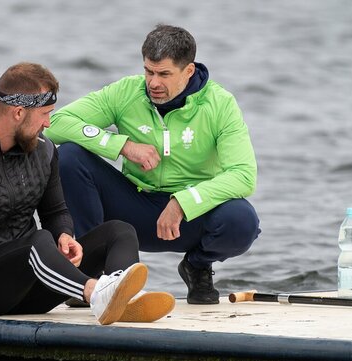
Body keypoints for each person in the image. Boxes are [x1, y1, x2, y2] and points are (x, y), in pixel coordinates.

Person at [0, 62, 175, 361]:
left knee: (119, 232)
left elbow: (55, 212)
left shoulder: (44, 150)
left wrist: (65, 234)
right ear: (18, 112)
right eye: (45, 115)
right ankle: (97, 294)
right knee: (37, 240)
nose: (48, 124)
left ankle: (118, 302)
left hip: (28, 284)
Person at [44, 25, 261, 305]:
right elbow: (55, 124)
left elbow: (244, 176)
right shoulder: (126, 92)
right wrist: (122, 146)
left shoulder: (220, 104)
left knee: (242, 219)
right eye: (149, 72)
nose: (153, 83)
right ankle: (90, 275)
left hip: (187, 219)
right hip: (132, 209)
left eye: (164, 74)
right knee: (70, 156)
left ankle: (197, 266)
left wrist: (182, 202)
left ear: (189, 72)